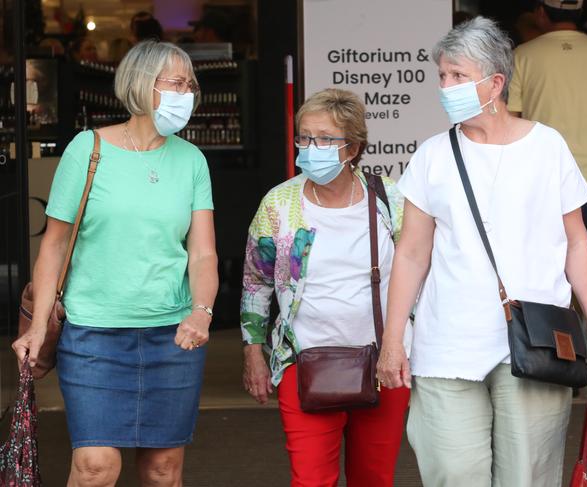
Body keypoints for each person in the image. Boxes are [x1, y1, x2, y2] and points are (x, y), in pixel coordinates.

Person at [376, 17, 587, 487]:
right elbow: (410, 254)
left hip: (536, 341)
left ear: (496, 82)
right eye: (442, 76)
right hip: (447, 342)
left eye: (458, 76)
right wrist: (392, 340)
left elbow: (577, 242)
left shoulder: (547, 147)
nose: (446, 87)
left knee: (528, 475)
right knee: (453, 473)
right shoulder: (432, 155)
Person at [13, 40, 216, 487]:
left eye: (190, 84)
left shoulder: (192, 161)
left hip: (172, 338)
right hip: (93, 336)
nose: (187, 93)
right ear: (142, 85)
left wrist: (201, 311)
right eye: (176, 82)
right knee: (95, 467)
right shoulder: (87, 150)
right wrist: (37, 324)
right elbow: (54, 246)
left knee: (163, 470)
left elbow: (202, 253)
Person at [240, 88, 411, 486]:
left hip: (382, 364)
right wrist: (253, 352)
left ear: (352, 147)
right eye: (304, 137)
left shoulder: (390, 200)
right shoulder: (279, 204)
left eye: (324, 138)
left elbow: (419, 273)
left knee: (375, 478)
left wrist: (406, 343)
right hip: (305, 363)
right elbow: (255, 281)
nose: (310, 147)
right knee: (311, 480)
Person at [508, 0, 587, 334]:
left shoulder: (524, 54)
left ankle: (557, 359)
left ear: (541, 13)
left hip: (540, 179)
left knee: (544, 268)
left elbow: (510, 120)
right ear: (584, 14)